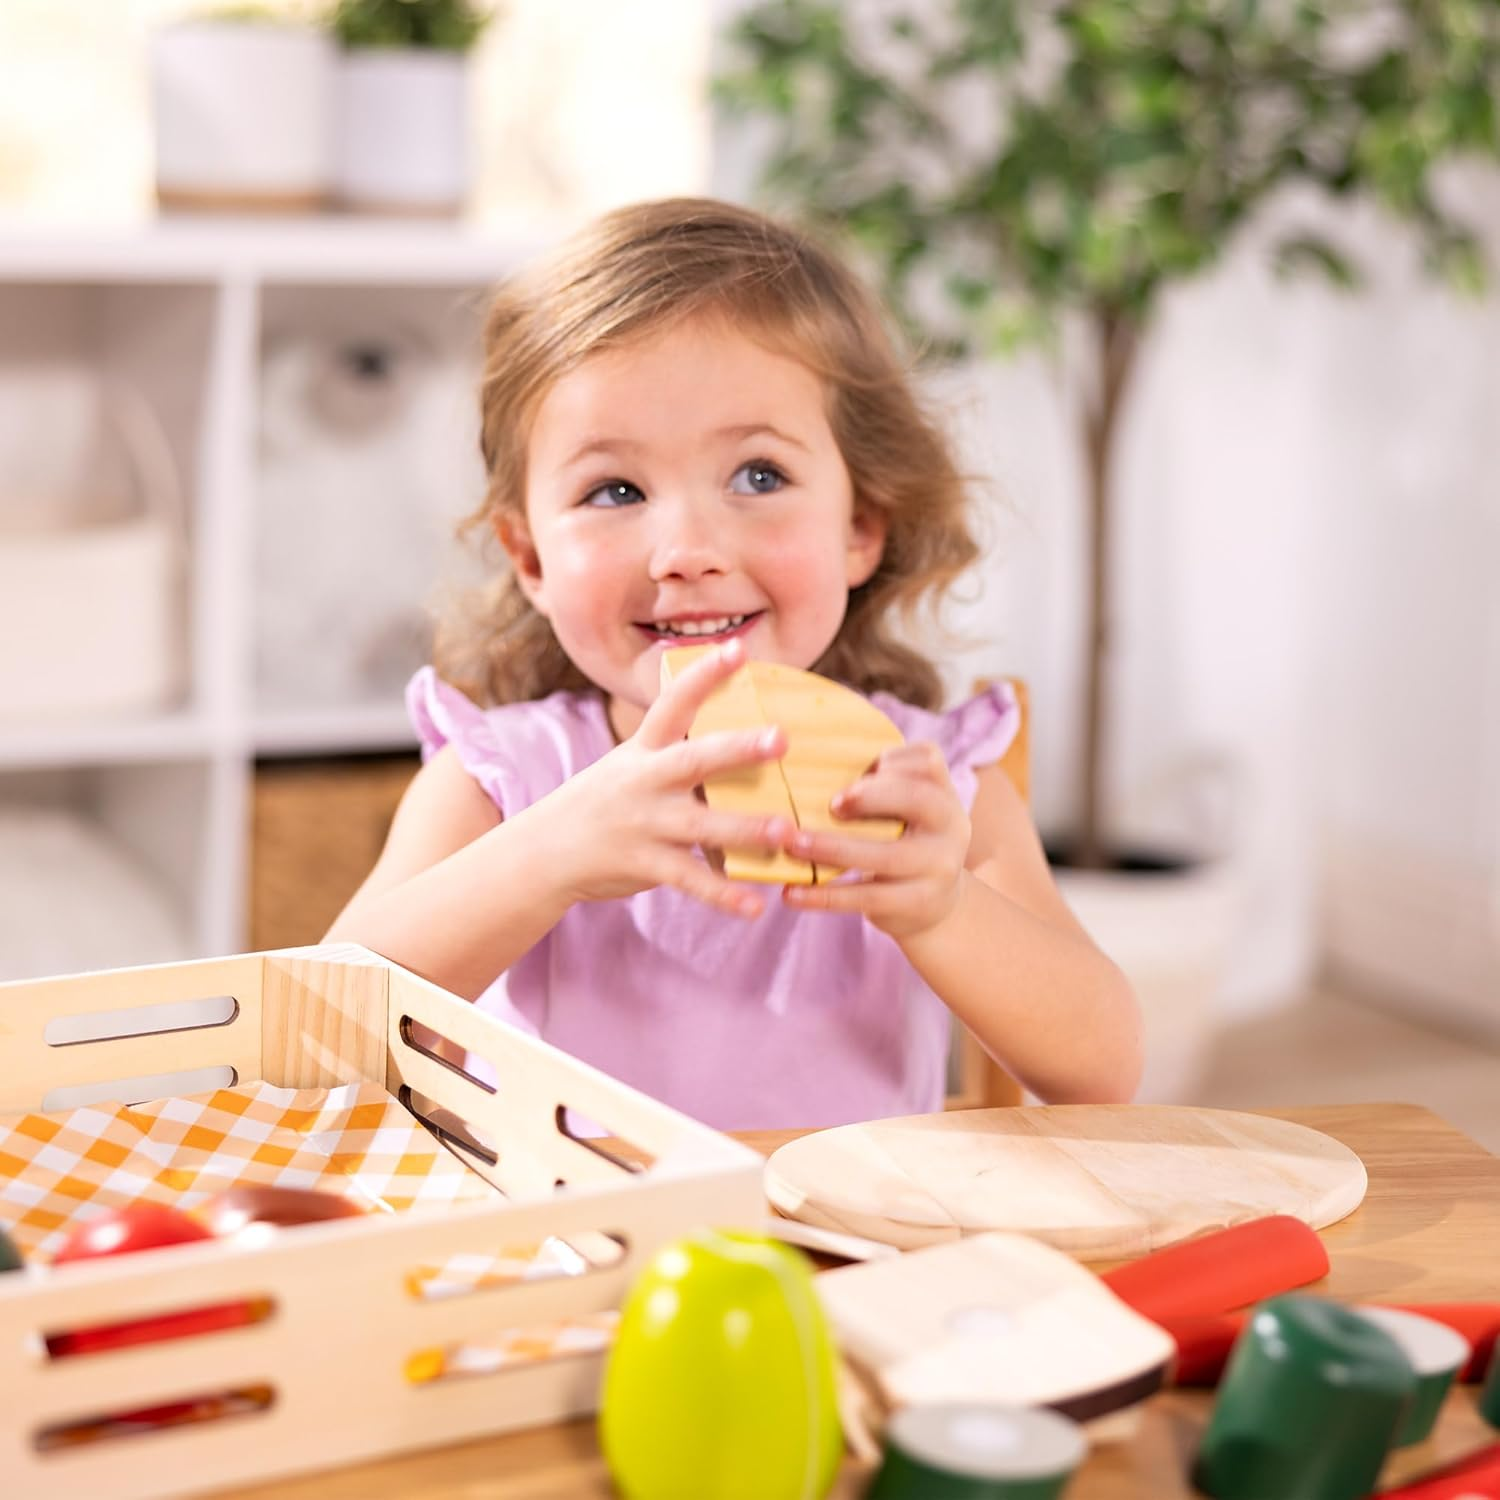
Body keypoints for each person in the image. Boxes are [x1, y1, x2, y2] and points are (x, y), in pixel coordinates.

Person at [326, 197, 1141, 1130]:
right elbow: (323, 1037)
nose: (688, 549)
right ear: (531, 559)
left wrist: (943, 908)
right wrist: (547, 857)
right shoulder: (503, 784)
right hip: (578, 1252)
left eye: (759, 476)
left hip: (851, 1255)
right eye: (615, 489)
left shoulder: (929, 786)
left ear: (860, 528)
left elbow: (1103, 1068)